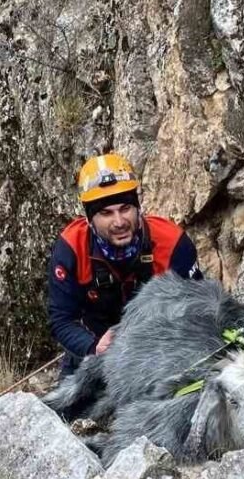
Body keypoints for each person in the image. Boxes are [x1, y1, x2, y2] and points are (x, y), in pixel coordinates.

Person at [47, 152, 204, 378]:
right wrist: (93, 347)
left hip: (160, 352)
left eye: (125, 208)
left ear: (137, 207)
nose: (119, 222)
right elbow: (61, 320)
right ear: (89, 218)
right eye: (106, 213)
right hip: (97, 350)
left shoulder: (172, 244)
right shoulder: (71, 249)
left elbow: (196, 309)